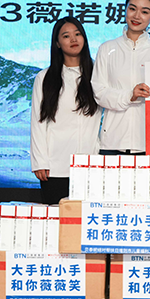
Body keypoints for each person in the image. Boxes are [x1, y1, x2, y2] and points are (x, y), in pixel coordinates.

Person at [91, 0, 150, 155]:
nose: (137, 16)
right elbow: (99, 93)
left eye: (145, 12)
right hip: (112, 141)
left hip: (148, 142)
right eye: (132, 9)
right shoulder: (107, 48)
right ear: (125, 9)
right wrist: (130, 95)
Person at [30, 17, 102, 204]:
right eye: (66, 36)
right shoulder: (44, 77)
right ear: (57, 43)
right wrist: (40, 162)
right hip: (55, 167)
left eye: (78, 34)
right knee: (57, 218)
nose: (73, 39)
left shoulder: (99, 74)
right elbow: (38, 122)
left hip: (91, 165)